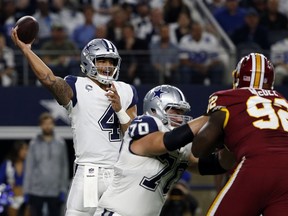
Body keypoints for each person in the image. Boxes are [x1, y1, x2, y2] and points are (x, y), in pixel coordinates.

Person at [11, 27, 138, 216]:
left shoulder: (126, 90)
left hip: (119, 173)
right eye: (101, 60)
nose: (107, 66)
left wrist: (119, 110)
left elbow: (134, 138)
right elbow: (49, 79)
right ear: (89, 62)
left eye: (111, 61)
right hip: (90, 173)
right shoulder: (77, 86)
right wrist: (27, 51)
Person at [191, 52, 288, 215]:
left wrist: (220, 139)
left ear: (238, 78)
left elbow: (199, 148)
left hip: (258, 166)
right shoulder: (282, 101)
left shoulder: (229, 97)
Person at [95, 84, 208, 216]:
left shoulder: (180, 145)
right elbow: (167, 142)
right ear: (154, 110)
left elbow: (211, 165)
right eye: (174, 111)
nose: (179, 118)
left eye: (181, 112)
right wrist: (208, 117)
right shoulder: (145, 123)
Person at [23, 112, 69, 216]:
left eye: (50, 123)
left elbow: (64, 167)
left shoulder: (60, 143)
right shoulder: (33, 143)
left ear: (53, 125)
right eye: (45, 123)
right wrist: (26, 191)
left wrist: (63, 189)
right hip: (36, 190)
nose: (47, 126)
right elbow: (29, 168)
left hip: (55, 191)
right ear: (41, 125)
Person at [0, 140, 29, 216]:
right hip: (12, 198)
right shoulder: (7, 164)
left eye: (26, 149)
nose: (25, 152)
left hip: (27, 197)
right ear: (17, 150)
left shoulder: (29, 164)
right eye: (23, 149)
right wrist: (9, 190)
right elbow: (0, 182)